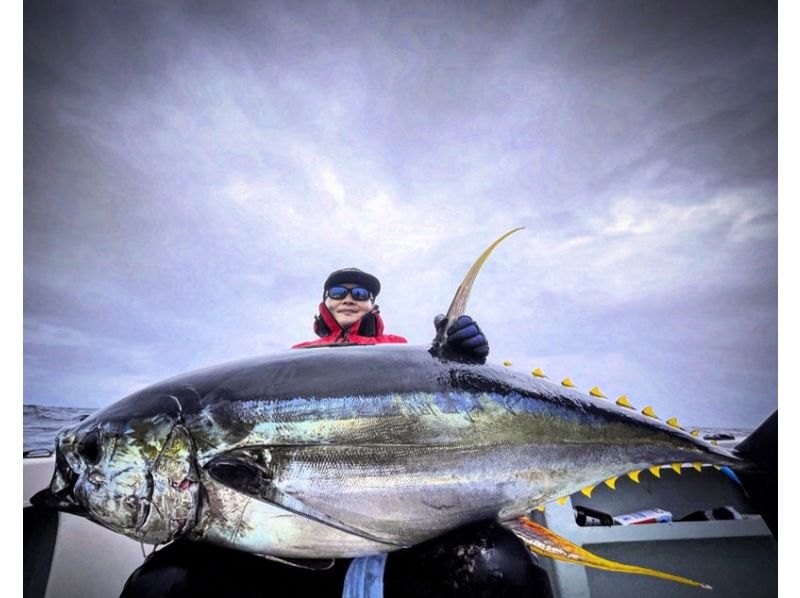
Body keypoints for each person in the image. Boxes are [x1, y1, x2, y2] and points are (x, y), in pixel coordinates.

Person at [292, 267, 490, 362]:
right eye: (338, 293)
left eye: (360, 294)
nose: (349, 299)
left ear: (372, 305)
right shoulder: (297, 354)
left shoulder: (398, 346)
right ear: (325, 302)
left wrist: (454, 356)